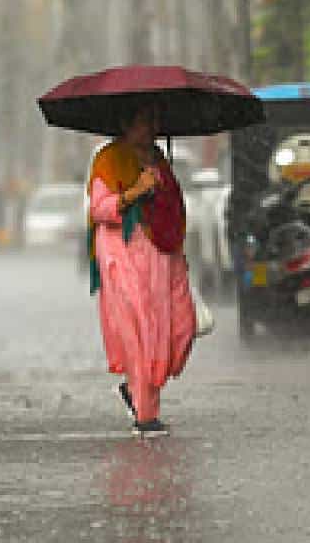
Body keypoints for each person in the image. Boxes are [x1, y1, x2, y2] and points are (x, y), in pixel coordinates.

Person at [86, 104, 196, 438]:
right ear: (126, 124)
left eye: (154, 121)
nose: (151, 127)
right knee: (140, 334)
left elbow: (172, 210)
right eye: (144, 121)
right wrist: (135, 191)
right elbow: (100, 209)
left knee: (180, 327)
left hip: (164, 255)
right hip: (125, 257)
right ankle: (146, 415)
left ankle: (138, 390)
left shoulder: (161, 160)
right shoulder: (109, 159)